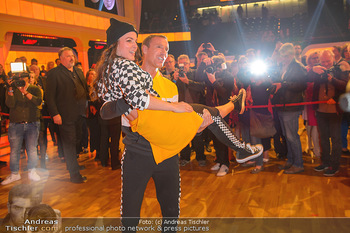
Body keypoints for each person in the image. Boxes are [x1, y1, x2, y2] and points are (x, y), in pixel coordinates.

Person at [95, 19, 263, 232]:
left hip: (167, 152)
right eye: (159, 47)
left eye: (167, 49)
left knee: (171, 211)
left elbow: (173, 123)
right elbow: (116, 112)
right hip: (138, 151)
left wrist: (198, 127)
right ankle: (236, 120)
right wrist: (122, 104)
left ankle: (237, 133)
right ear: (144, 49)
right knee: (130, 215)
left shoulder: (170, 85)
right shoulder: (126, 74)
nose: (163, 52)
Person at [46, 47, 88, 183]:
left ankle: (74, 165)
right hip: (65, 115)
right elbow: (49, 97)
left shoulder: (79, 71)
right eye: (68, 56)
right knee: (69, 144)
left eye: (72, 56)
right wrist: (55, 114)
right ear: (61, 59)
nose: (72, 58)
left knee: (77, 140)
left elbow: (84, 90)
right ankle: (74, 174)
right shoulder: (54, 73)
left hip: (80, 114)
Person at [309, 49, 350, 176]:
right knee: (324, 138)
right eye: (323, 61)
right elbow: (307, 80)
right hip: (320, 109)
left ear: (333, 59)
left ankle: (335, 165)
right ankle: (325, 162)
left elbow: (345, 86)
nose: (326, 63)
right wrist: (313, 70)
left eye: (328, 61)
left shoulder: (340, 69)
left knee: (336, 139)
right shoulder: (317, 70)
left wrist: (332, 80)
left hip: (335, 111)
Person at [1, 71, 42, 185]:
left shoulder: (35, 89)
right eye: (18, 79)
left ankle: (32, 171)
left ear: (28, 79)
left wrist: (25, 92)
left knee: (32, 149)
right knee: (14, 150)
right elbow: (10, 104)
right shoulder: (12, 89)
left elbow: (38, 101)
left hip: (32, 123)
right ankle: (14, 174)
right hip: (16, 124)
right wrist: (10, 89)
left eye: (23, 79)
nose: (21, 81)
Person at [274, 43, 307, 174]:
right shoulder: (283, 66)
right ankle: (291, 161)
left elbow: (302, 85)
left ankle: (298, 164)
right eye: (283, 56)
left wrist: (283, 84)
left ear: (292, 54)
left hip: (292, 106)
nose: (284, 58)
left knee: (292, 136)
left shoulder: (298, 67)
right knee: (287, 136)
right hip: (283, 106)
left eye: (287, 55)